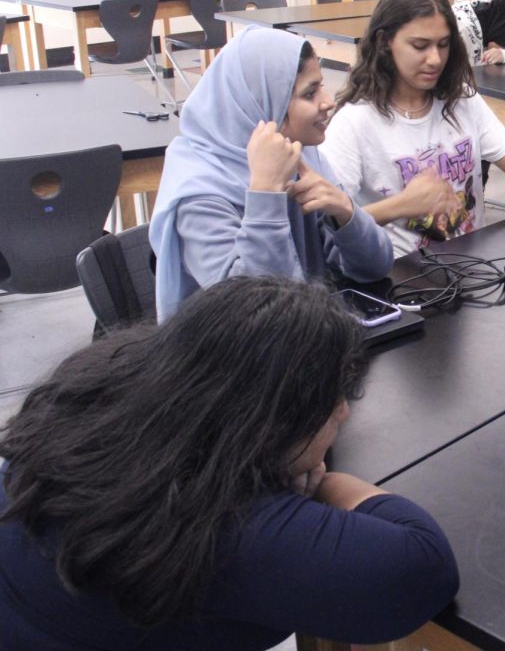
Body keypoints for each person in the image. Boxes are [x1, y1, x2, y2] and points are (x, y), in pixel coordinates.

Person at [0, 277, 459, 649]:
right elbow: (424, 568)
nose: (343, 412)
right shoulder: (218, 524)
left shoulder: (96, 396)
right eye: (334, 401)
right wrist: (325, 485)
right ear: (272, 426)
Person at [148, 26, 393, 320]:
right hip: (231, 358)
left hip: (306, 337)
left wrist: (346, 212)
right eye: (310, 93)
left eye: (322, 86)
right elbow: (257, 315)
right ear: (263, 106)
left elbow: (375, 267)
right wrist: (265, 193)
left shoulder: (301, 155)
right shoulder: (199, 195)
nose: (328, 102)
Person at [324, 0, 505, 257]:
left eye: (444, 45)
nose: (435, 59)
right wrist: (401, 205)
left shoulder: (462, 99)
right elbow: (330, 228)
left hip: (471, 270)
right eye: (420, 46)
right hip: (400, 278)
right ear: (384, 41)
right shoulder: (353, 122)